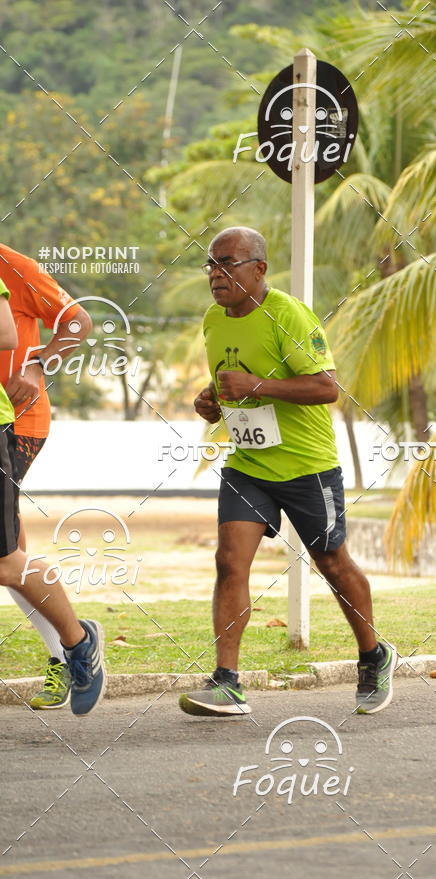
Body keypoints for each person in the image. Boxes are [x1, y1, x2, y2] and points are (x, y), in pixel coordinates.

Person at [178, 226, 397, 718]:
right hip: (249, 465)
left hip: (306, 467)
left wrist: (256, 386)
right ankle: (227, 681)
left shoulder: (288, 314)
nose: (216, 274)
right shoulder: (214, 320)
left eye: (228, 263)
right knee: (229, 562)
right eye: (211, 264)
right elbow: (228, 383)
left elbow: (326, 388)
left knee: (332, 564)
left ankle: (373, 656)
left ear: (259, 268)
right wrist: (211, 401)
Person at [0, 274, 104, 716]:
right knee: (11, 555)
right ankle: (69, 647)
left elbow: (78, 320)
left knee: (7, 559)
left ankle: (74, 645)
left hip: (20, 420)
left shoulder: (11, 264)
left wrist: (37, 365)